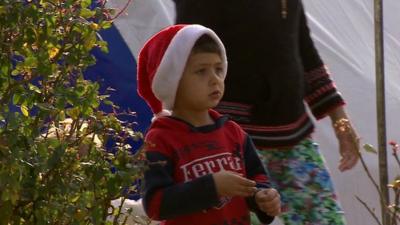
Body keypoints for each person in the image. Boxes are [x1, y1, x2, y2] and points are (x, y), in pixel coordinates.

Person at [172, 1, 360, 224]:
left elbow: (304, 53)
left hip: (294, 140)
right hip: (232, 144)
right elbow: (188, 55)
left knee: (326, 219)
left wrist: (341, 123)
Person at [136, 24, 281, 225]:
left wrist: (262, 198)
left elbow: (257, 179)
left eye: (219, 69)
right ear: (173, 81)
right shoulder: (160, 139)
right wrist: (212, 187)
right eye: (201, 71)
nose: (215, 79)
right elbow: (155, 205)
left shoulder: (233, 133)